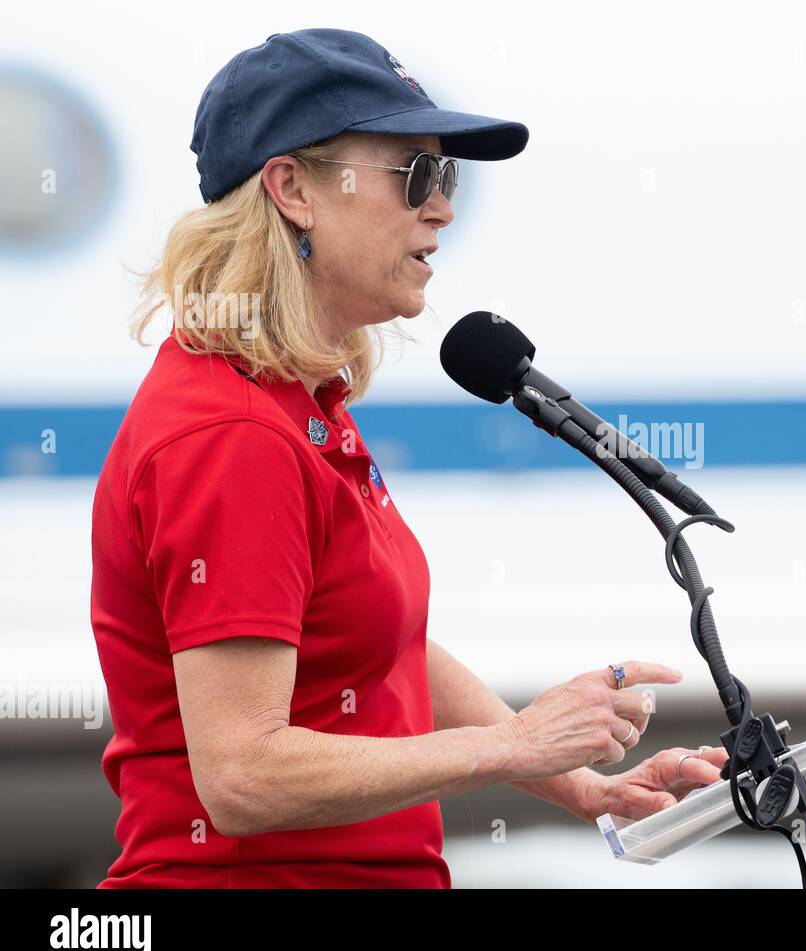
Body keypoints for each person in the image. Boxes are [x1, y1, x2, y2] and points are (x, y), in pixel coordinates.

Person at [90, 27, 726, 888]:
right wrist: (511, 742)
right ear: (292, 189)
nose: (444, 208)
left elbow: (387, 646)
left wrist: (583, 787)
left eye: (448, 177)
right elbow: (241, 775)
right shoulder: (233, 436)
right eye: (415, 175)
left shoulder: (294, 407)